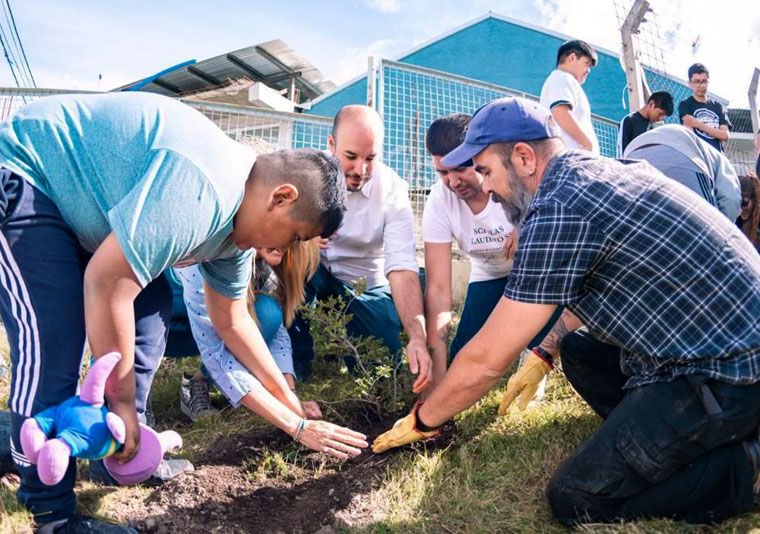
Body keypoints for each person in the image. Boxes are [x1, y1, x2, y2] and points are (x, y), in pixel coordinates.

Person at [0, 92, 351, 533]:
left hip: (83, 212)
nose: (282, 253)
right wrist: (123, 401)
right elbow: (106, 282)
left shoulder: (235, 234)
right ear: (281, 198)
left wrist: (294, 409)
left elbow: (232, 321)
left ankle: (115, 455)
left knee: (150, 309)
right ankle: (51, 512)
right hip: (24, 177)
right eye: (293, 236)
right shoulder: (202, 191)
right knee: (54, 342)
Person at [372, 96, 760, 526]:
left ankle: (745, 466)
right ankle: (675, 444)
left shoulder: (560, 208)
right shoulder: (595, 171)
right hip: (701, 340)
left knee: (576, 497)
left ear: (522, 158)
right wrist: (543, 353)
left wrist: (424, 420)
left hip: (728, 371)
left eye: (485, 171)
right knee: (576, 348)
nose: (483, 186)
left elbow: (486, 362)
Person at [174, 242, 367, 458]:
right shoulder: (210, 259)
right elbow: (215, 352)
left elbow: (276, 333)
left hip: (213, 323)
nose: (281, 248)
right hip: (169, 321)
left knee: (268, 313)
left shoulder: (266, 263)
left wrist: (290, 399)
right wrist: (297, 427)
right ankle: (157, 398)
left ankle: (199, 381)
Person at [288, 105, 432, 394]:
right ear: (331, 145)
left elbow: (402, 265)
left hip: (363, 284)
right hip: (315, 270)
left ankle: (365, 331)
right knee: (294, 263)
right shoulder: (304, 174)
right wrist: (303, 238)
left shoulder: (392, 190)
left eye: (371, 158)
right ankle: (294, 359)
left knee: (382, 369)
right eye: (350, 157)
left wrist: (417, 336)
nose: (360, 170)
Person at [422, 113, 559, 394]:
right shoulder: (439, 200)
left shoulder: (511, 180)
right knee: (464, 357)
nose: (452, 181)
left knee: (533, 330)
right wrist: (436, 377)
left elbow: (557, 210)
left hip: (535, 274)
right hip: (489, 274)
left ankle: (538, 355)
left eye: (460, 168)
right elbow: (437, 289)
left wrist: (528, 227)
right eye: (442, 172)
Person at [623, 124, 741, 220]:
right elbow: (731, 200)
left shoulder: (711, 155)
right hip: (680, 151)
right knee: (705, 229)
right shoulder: (724, 163)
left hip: (631, 155)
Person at [540, 39, 599, 154]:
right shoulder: (563, 78)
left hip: (571, 160)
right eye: (586, 63)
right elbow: (560, 111)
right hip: (572, 160)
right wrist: (587, 144)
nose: (588, 71)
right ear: (572, 58)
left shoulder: (562, 79)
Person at [678, 63, 731, 152]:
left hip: (718, 156)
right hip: (700, 156)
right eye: (697, 81)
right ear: (689, 83)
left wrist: (697, 124)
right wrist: (715, 131)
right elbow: (690, 137)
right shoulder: (685, 105)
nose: (702, 86)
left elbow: (725, 135)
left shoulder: (717, 106)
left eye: (704, 81)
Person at [615, 91, 674, 157]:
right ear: (651, 104)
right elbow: (621, 151)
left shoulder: (657, 127)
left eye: (664, 116)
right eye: (660, 114)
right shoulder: (629, 120)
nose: (661, 118)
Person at [737, 173, 760, 252]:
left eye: (745, 203)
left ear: (754, 201)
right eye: (738, 203)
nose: (742, 208)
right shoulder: (733, 223)